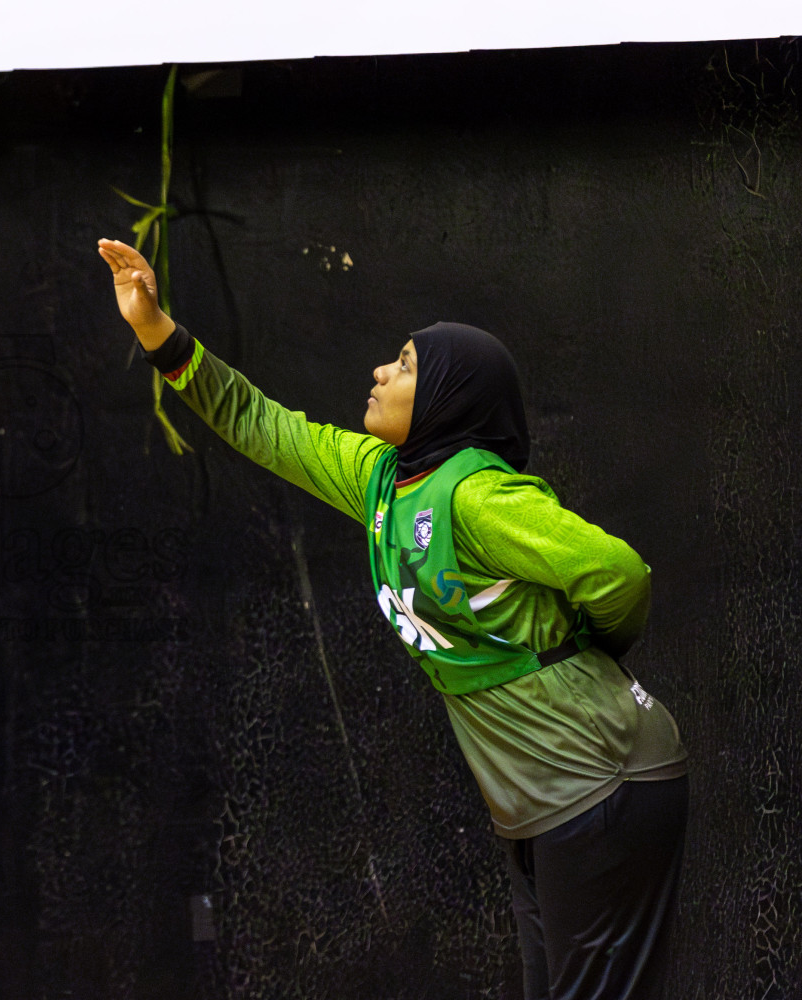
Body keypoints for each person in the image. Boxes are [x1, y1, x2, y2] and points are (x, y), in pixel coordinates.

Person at [97, 237, 687, 999]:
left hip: (604, 778)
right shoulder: (379, 481)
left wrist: (585, 654)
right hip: (535, 797)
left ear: (447, 397)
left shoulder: (480, 498)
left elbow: (619, 574)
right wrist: (154, 329)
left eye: (405, 364)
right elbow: (261, 424)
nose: (379, 370)